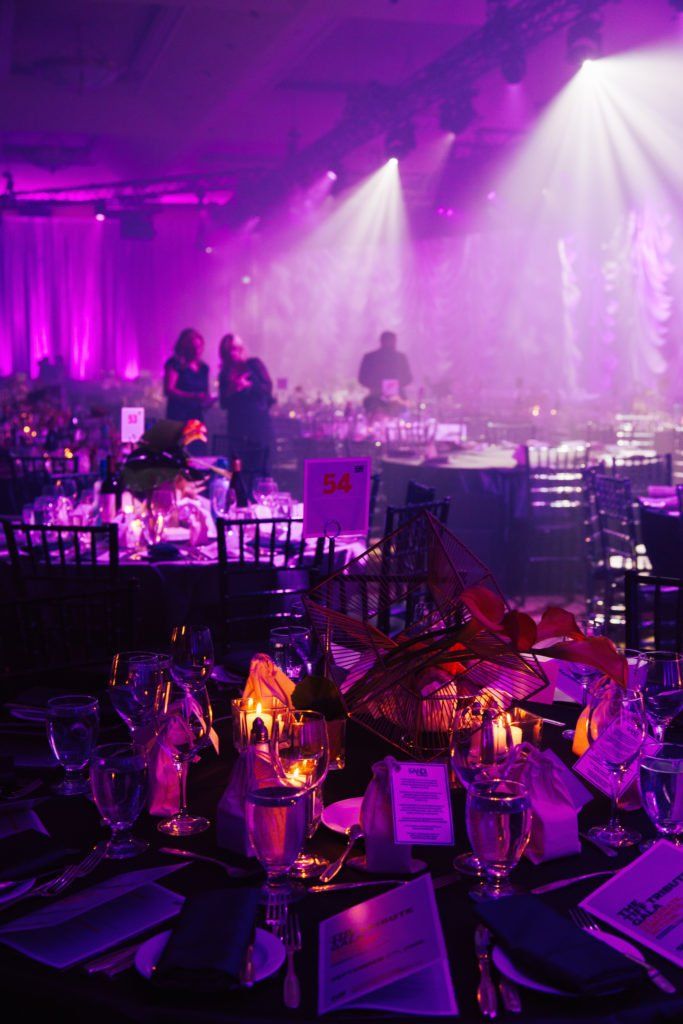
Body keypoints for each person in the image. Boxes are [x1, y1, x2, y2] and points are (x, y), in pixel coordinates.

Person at [218, 333, 274, 478]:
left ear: (242, 349)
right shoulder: (225, 374)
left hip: (258, 427)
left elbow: (267, 388)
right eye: (229, 350)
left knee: (261, 471)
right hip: (238, 429)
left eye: (236, 348)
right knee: (239, 473)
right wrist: (233, 388)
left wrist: (248, 385)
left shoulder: (254, 365)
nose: (233, 353)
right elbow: (224, 402)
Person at [358, 330, 412, 414]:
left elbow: (408, 377)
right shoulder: (400, 357)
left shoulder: (370, 357)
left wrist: (381, 386)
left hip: (390, 397)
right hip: (378, 397)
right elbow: (408, 378)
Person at [163, 328, 212, 423]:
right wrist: (193, 396)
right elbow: (169, 390)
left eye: (199, 347)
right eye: (193, 347)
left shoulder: (204, 368)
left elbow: (204, 393)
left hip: (196, 418)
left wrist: (207, 401)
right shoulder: (175, 364)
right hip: (177, 417)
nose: (197, 351)